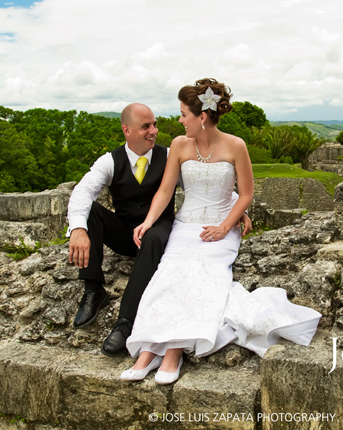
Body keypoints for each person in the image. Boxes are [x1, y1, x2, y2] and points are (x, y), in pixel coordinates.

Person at [121, 79, 321, 385]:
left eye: (183, 114)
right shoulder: (179, 144)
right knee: (168, 274)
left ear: (201, 117)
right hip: (186, 226)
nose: (178, 120)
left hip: (220, 229)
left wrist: (225, 226)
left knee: (201, 276)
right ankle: (148, 350)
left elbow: (246, 194)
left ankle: (173, 350)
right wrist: (148, 222)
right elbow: (164, 191)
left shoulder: (235, 145)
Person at [66, 103, 252, 357]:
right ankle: (92, 289)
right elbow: (83, 191)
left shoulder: (169, 155)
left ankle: (125, 323)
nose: (154, 131)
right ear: (127, 130)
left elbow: (205, 184)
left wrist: (236, 208)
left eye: (154, 124)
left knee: (153, 237)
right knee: (89, 211)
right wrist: (77, 229)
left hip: (159, 231)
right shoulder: (110, 161)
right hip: (125, 231)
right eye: (146, 127)